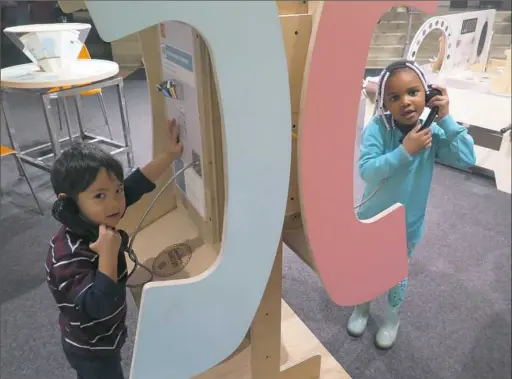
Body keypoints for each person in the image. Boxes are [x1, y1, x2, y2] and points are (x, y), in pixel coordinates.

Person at [349, 60, 476, 349]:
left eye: (413, 92)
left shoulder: (432, 131)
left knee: (396, 273)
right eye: (394, 97)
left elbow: (467, 159)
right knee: (366, 265)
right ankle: (362, 308)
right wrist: (405, 151)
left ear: (426, 94)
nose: (405, 102)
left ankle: (392, 318)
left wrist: (446, 119)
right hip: (372, 217)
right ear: (384, 102)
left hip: (406, 224)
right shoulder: (378, 129)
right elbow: (367, 171)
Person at [45, 119, 183, 379]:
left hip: (107, 335)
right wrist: (108, 255)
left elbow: (137, 183)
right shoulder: (66, 256)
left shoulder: (97, 216)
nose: (116, 203)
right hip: (90, 347)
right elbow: (100, 305)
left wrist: (170, 155)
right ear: (70, 204)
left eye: (116, 191)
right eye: (100, 195)